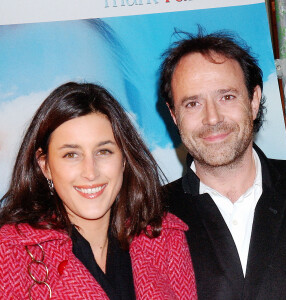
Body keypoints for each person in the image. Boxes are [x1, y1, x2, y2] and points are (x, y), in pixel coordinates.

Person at [0, 82, 197, 299]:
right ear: (45, 166)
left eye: (103, 151)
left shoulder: (165, 238)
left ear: (124, 159)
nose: (90, 172)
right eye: (71, 155)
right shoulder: (9, 253)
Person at [159, 29, 286, 300]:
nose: (212, 118)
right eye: (193, 103)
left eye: (226, 97)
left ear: (254, 100)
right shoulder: (147, 218)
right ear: (174, 115)